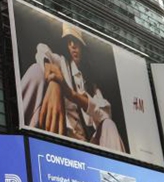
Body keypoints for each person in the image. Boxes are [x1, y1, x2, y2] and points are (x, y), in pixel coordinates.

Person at [20, 23, 125, 152]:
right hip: (60, 131)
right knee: (36, 71)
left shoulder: (92, 85)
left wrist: (71, 94)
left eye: (76, 41)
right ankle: (15, 131)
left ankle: (118, 169)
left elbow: (104, 115)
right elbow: (43, 50)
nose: (72, 46)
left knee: (109, 125)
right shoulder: (62, 63)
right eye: (69, 42)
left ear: (83, 46)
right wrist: (54, 82)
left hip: (85, 146)